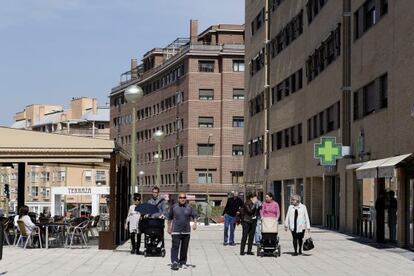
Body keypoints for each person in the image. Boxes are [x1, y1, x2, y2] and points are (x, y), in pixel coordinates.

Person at [167, 193, 197, 271]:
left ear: (186, 198)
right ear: (178, 198)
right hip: (176, 230)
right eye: (181, 197)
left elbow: (194, 216)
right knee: (175, 247)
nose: (182, 199)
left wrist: (195, 224)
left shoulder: (189, 207)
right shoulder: (174, 207)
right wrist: (168, 228)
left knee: (184, 248)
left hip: (186, 231)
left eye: (184, 197)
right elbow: (169, 218)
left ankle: (183, 262)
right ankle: (174, 262)